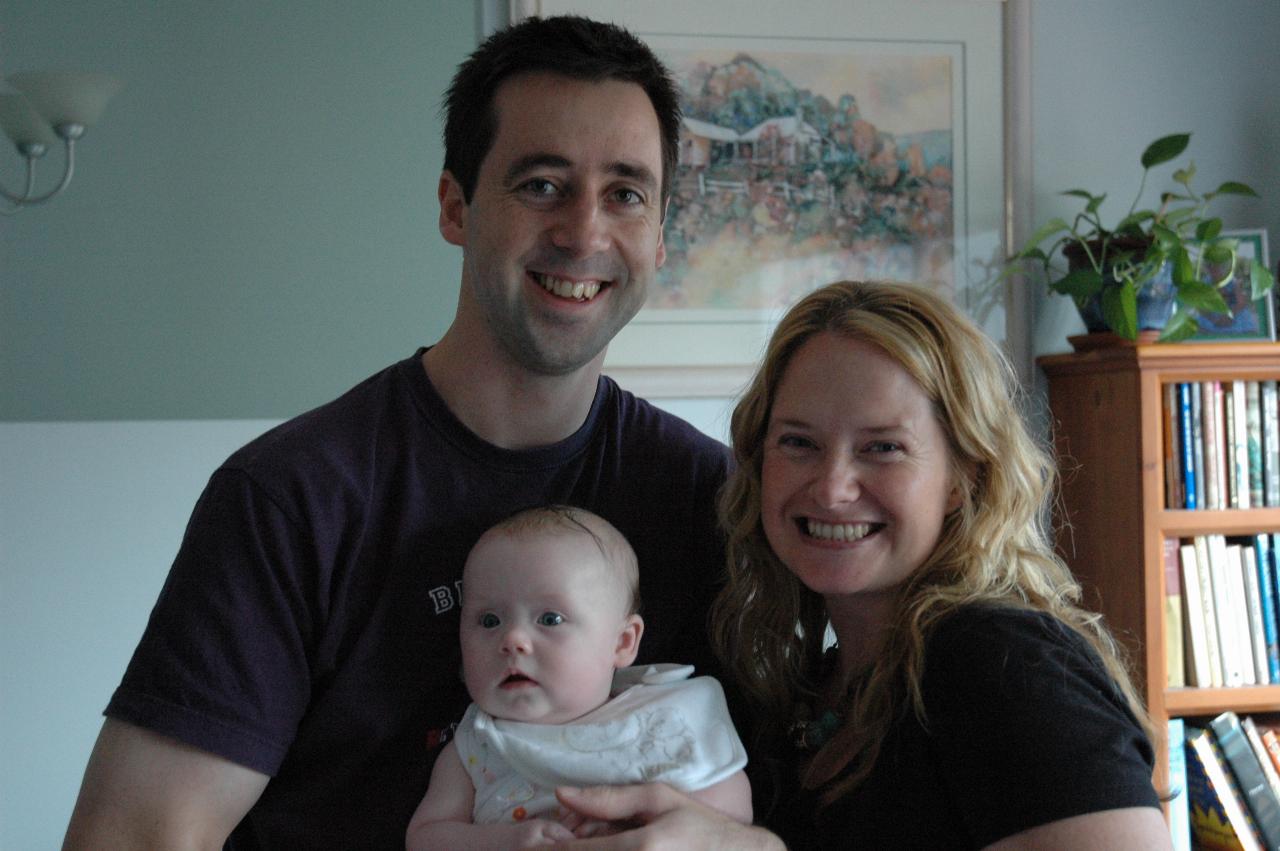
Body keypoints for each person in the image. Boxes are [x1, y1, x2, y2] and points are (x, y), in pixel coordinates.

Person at [62, 16, 734, 850]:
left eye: (626, 194)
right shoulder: (296, 496)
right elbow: (138, 835)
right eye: (541, 184)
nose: (585, 232)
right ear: (455, 206)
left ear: (662, 235)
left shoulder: (714, 499)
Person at [549, 280, 1170, 850]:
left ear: (962, 475)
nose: (832, 487)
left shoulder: (1007, 664)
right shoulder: (809, 691)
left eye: (882, 448)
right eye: (799, 442)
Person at [405, 505, 752, 849]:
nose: (512, 640)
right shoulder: (478, 743)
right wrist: (502, 842)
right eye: (490, 621)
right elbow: (426, 836)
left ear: (622, 642)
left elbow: (734, 817)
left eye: (550, 619)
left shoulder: (665, 717)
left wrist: (641, 824)